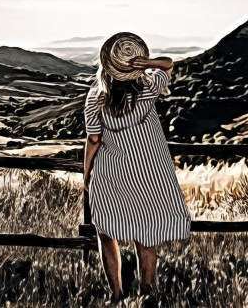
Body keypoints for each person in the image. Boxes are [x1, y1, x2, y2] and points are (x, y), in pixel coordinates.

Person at [83, 32, 191, 305]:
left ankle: (117, 295)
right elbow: (168, 64)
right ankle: (146, 293)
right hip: (149, 174)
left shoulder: (96, 98)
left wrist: (86, 173)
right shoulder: (148, 89)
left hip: (113, 175)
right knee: (147, 232)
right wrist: (145, 64)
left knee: (106, 232)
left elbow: (94, 139)